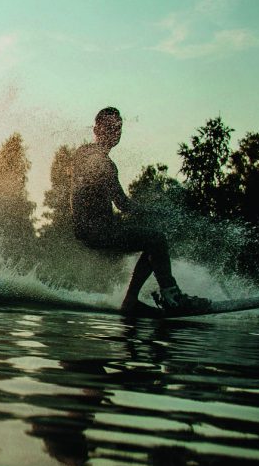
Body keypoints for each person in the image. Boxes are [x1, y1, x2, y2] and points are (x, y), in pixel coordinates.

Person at [72, 106, 209, 315]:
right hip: (96, 230)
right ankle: (171, 296)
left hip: (96, 228)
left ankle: (131, 300)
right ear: (96, 129)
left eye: (118, 128)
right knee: (156, 239)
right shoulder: (94, 157)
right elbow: (123, 204)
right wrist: (157, 211)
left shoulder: (92, 155)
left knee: (152, 240)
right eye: (109, 127)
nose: (114, 131)